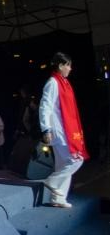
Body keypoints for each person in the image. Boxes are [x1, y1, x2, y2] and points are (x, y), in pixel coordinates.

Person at [39, 52, 86, 208]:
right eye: (68, 65)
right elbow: (45, 106)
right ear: (60, 66)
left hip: (65, 128)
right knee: (76, 159)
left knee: (63, 163)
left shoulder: (64, 83)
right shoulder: (53, 82)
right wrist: (46, 128)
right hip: (59, 129)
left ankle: (58, 197)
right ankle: (52, 181)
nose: (70, 68)